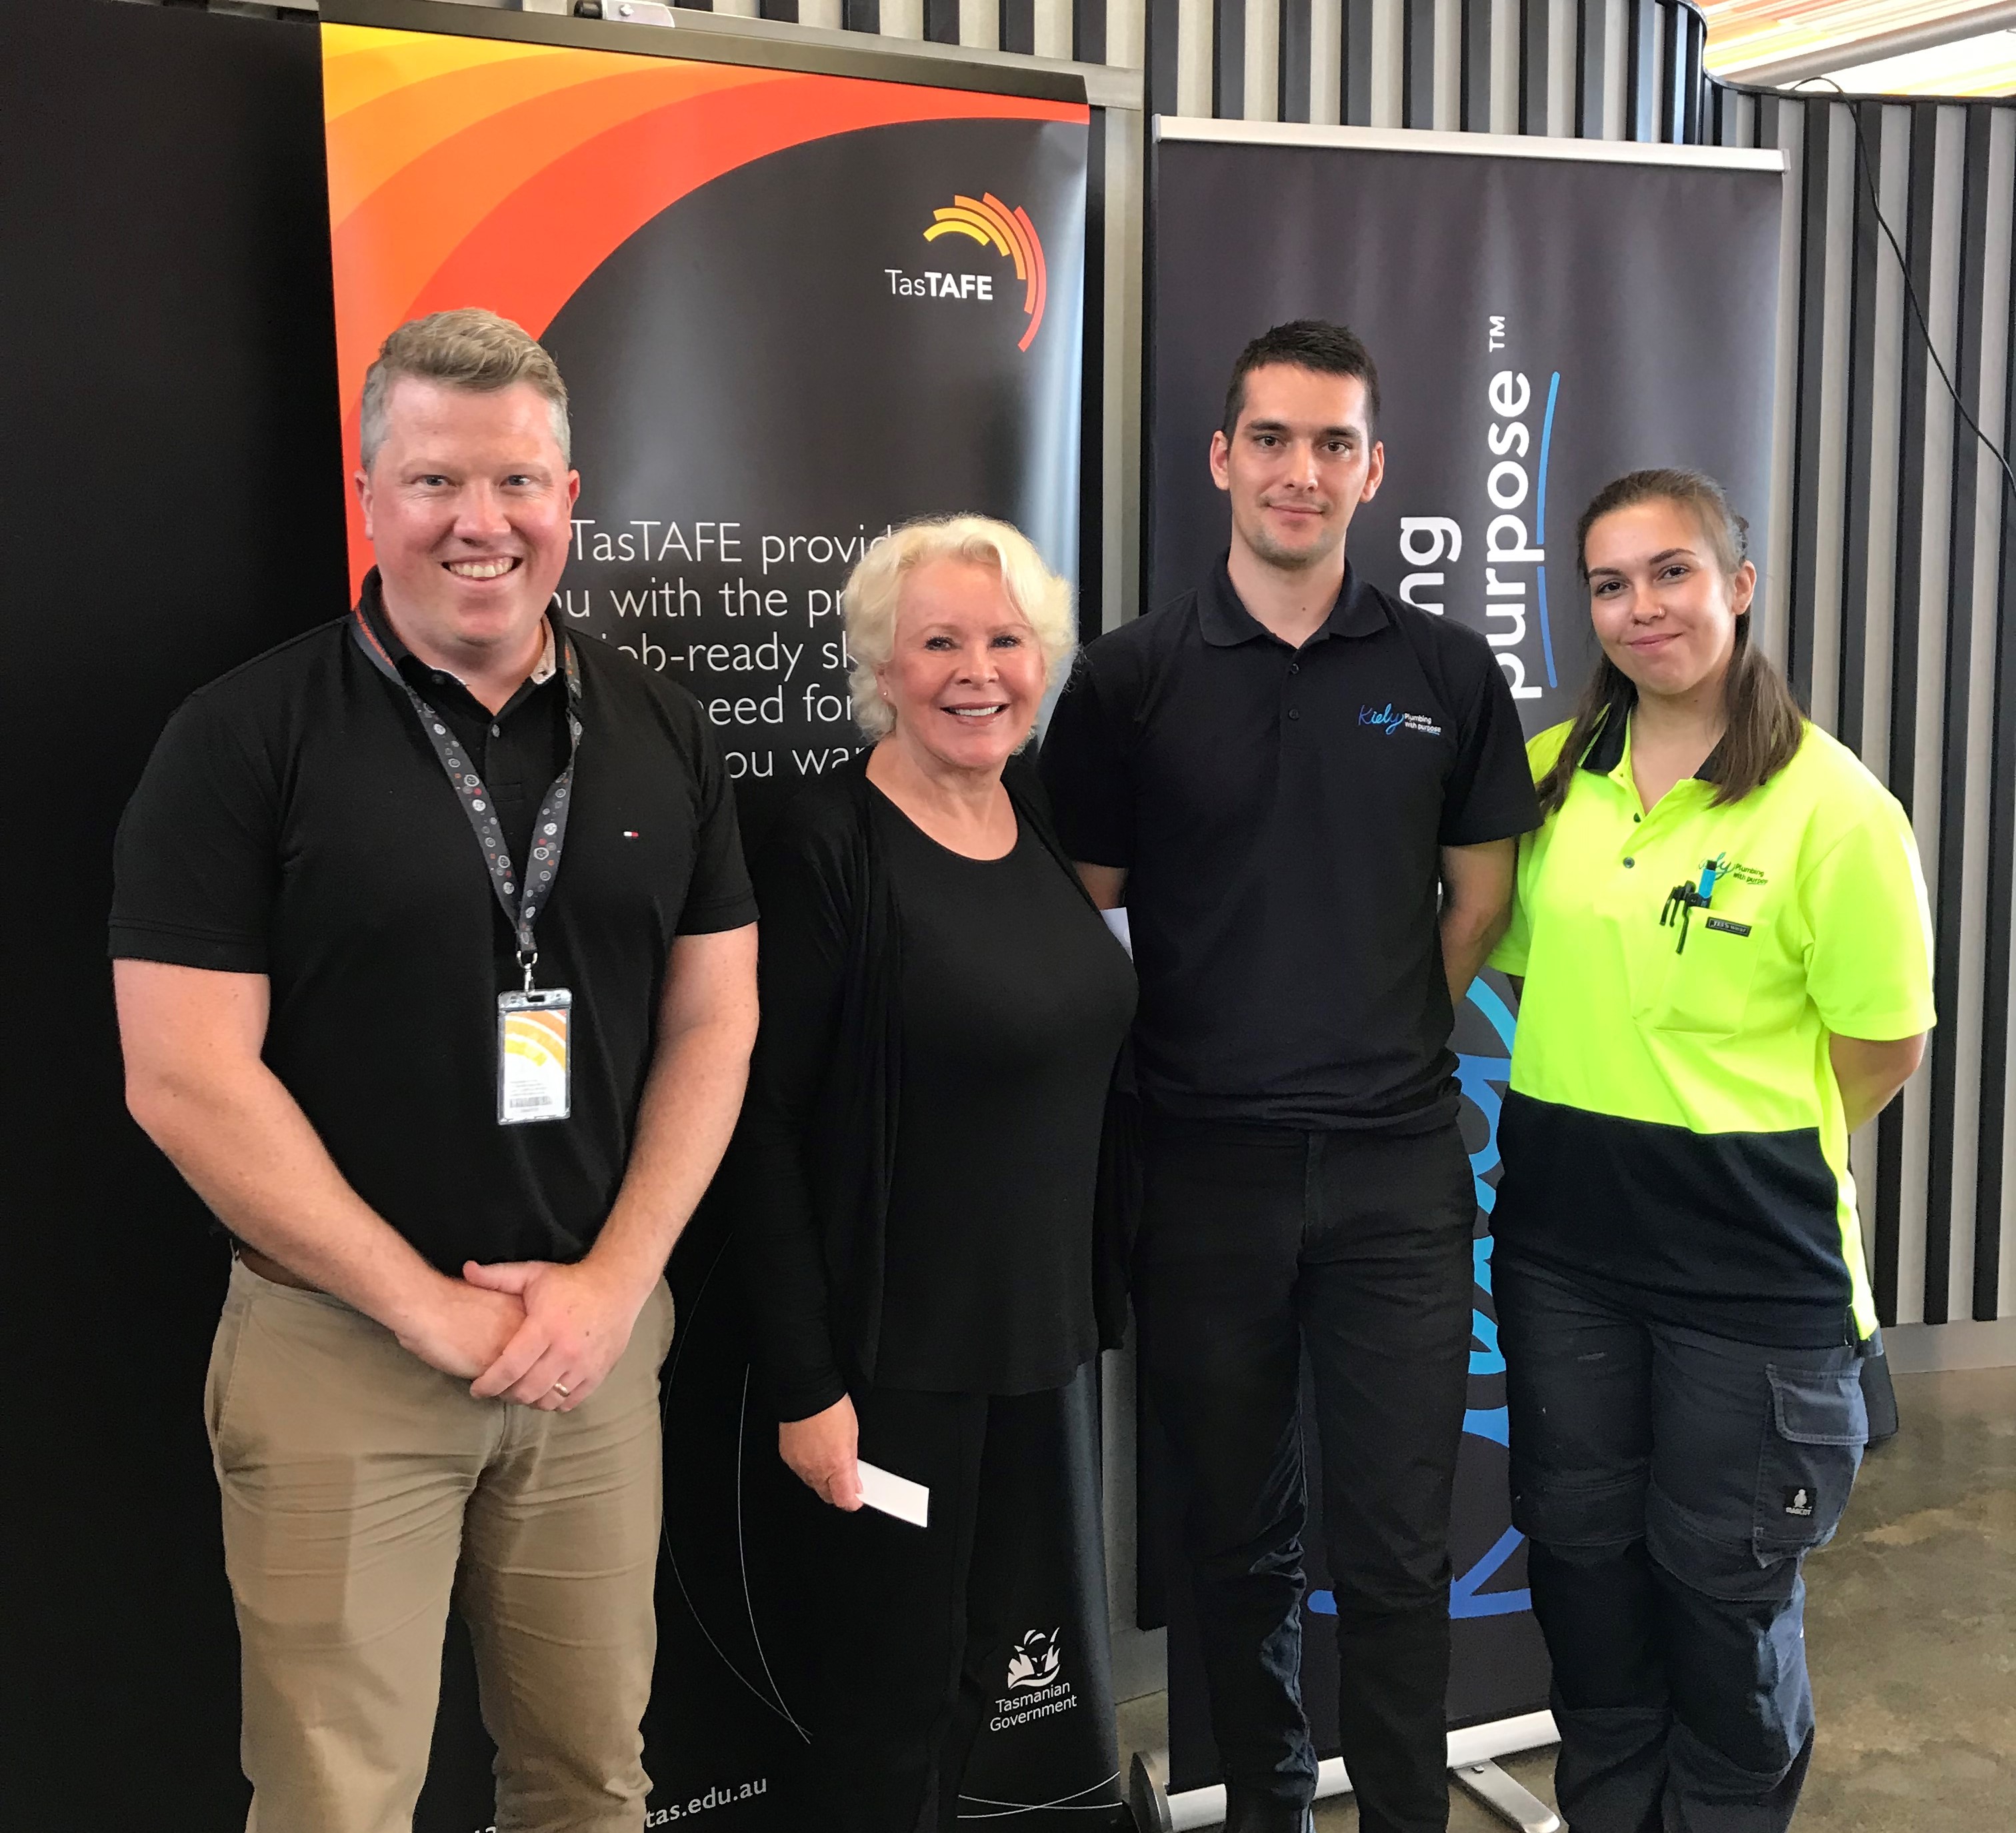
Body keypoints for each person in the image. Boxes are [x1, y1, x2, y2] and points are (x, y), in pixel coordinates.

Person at [109, 308, 759, 1833]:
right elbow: (183, 1075)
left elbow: (715, 1021)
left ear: (572, 499)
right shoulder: (243, 738)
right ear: (369, 497)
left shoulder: (662, 727)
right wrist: (430, 1306)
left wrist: (613, 1283)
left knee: (592, 1781)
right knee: (339, 1801)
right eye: (435, 482)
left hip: (595, 1360)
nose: (483, 522)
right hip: (344, 1355)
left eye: (520, 483)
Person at [1040, 321, 1541, 1833]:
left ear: (1375, 469)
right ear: (1222, 458)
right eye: (1272, 438)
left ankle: (1402, 1813)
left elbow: (1479, 899)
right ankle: (1263, 1810)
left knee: (1393, 1550)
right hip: (1201, 1174)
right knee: (1235, 1540)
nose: (1300, 471)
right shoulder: (1126, 682)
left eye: (1333, 444)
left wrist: (1374, 1028)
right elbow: (1092, 917)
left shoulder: (1450, 673)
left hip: (1395, 1175)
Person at [1488, 469, 1933, 1833]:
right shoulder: (1554, 775)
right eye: (1610, 584)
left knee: (1724, 1604)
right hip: (1565, 1266)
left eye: (1672, 572)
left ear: (1739, 584)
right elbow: (1504, 952)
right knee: (1587, 1582)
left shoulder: (1834, 809)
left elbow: (1883, 1048)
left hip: (1751, 1281)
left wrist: (1728, 1143)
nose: (1642, 608)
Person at [731, 515, 1137, 1832]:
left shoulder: (1032, 823)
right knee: (885, 1708)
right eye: (940, 642)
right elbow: (756, 1125)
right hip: (887, 1375)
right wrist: (807, 1385)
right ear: (882, 668)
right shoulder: (820, 841)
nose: (980, 670)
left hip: (1035, 1355)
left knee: (973, 1680)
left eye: (1007, 639)